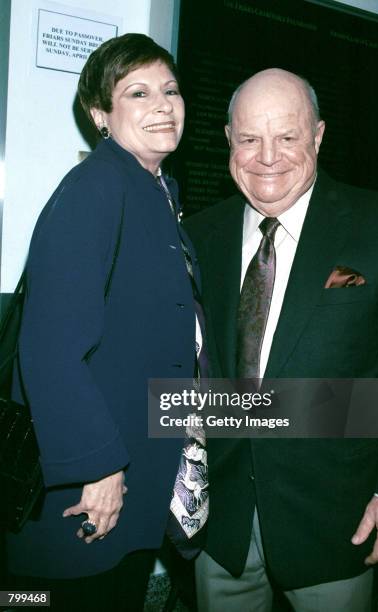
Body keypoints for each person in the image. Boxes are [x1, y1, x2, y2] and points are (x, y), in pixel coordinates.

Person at [185, 68, 378, 611]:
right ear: (229, 140)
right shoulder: (197, 236)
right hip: (223, 524)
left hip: (337, 520)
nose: (267, 157)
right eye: (250, 138)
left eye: (287, 137)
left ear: (319, 135)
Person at [5, 33, 206, 612]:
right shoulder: (97, 186)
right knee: (43, 600)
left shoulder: (155, 191)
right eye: (138, 92)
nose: (163, 104)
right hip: (95, 482)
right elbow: (50, 347)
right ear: (100, 114)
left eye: (170, 90)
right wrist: (98, 467)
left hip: (135, 465)